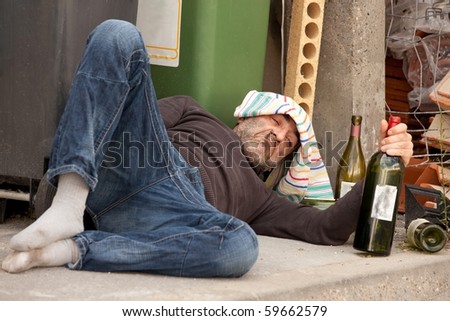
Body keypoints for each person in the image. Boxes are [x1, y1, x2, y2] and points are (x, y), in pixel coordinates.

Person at [2, 20, 413, 276]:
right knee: (119, 34)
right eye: (275, 120)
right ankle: (68, 204)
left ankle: (73, 248)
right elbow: (129, 126)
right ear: (245, 116)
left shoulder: (261, 202)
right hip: (136, 166)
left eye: (289, 144)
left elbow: (326, 229)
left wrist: (390, 162)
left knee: (241, 247)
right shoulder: (194, 111)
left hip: (175, 215)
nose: (280, 138)